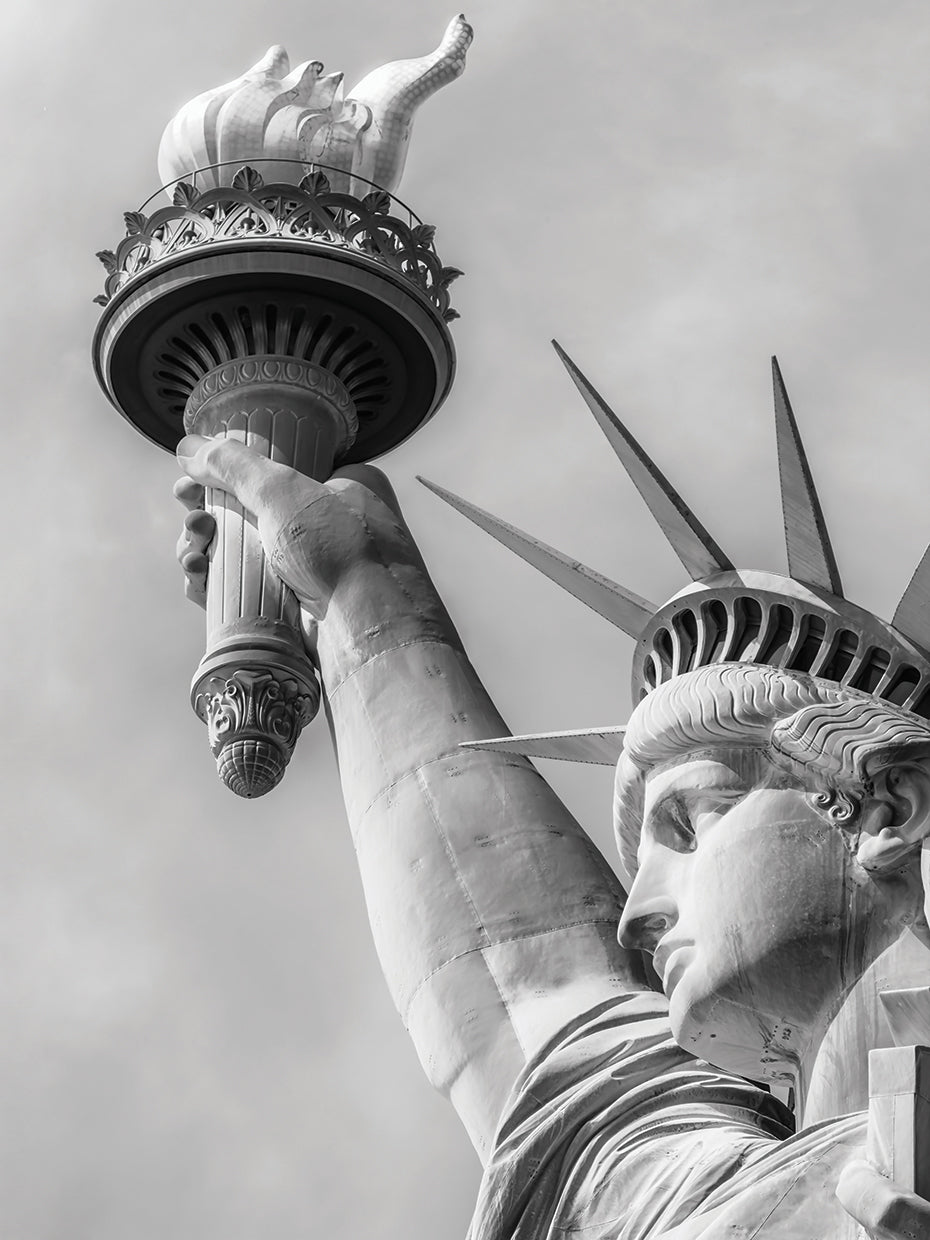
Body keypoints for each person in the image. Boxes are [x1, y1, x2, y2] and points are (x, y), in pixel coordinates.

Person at [174, 433, 930, 1240]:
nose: (633, 915)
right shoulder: (699, 1205)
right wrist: (354, 594)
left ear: (889, 809)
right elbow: (526, 986)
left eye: (688, 822)